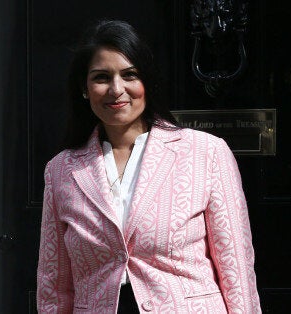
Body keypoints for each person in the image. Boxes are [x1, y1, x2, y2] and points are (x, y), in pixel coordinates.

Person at [36, 19, 261, 314]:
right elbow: (54, 284)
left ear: (147, 82)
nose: (117, 89)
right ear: (84, 88)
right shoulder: (62, 170)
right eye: (102, 77)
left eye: (130, 75)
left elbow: (236, 269)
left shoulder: (206, 152)